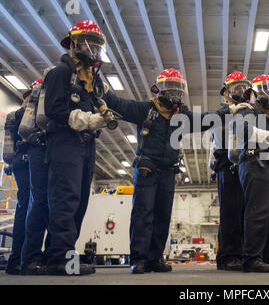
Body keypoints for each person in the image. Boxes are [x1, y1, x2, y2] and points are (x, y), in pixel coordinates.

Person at [103, 68, 245, 274]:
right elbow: (120, 105)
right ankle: (139, 259)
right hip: (147, 169)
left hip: (168, 171)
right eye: (170, 90)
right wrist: (104, 91)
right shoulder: (146, 109)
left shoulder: (182, 116)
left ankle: (154, 258)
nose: (174, 95)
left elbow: (205, 119)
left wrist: (228, 111)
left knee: (162, 216)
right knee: (143, 215)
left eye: (178, 91)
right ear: (158, 89)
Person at [44, 20, 111, 275]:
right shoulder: (62, 72)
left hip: (84, 145)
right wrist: (84, 119)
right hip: (64, 143)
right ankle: (58, 258)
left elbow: (95, 108)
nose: (91, 48)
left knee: (80, 201)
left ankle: (63, 253)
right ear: (73, 44)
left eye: (95, 44)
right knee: (66, 199)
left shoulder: (89, 80)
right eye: (87, 42)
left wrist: (99, 118)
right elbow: (54, 110)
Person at [231, 74, 269, 272]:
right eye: (266, 90)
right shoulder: (246, 109)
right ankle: (251, 257)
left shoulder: (268, 117)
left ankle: (265, 255)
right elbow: (243, 132)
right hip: (253, 162)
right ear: (254, 93)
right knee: (258, 211)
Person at [212, 72, 248, 271]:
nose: (240, 91)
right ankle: (227, 256)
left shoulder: (247, 113)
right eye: (236, 87)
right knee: (230, 213)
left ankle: (240, 252)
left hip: (243, 167)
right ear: (226, 92)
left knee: (243, 212)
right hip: (227, 167)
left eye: (243, 87)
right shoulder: (222, 114)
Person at [20, 79, 51, 275]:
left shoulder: (30, 108)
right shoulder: (34, 109)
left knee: (40, 203)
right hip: (40, 152)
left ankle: (31, 257)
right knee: (39, 202)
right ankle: (31, 258)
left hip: (41, 152)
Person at [4, 90, 32, 275]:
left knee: (23, 207)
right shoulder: (30, 116)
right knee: (30, 209)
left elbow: (8, 147)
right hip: (30, 163)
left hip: (17, 164)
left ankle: (16, 259)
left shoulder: (14, 116)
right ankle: (23, 258)